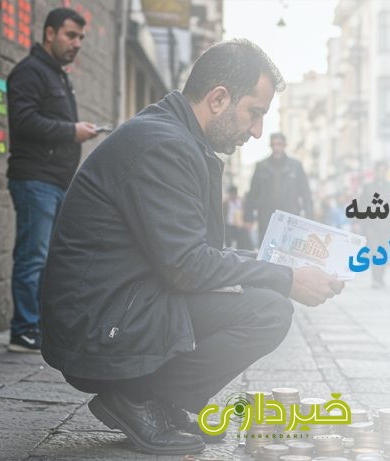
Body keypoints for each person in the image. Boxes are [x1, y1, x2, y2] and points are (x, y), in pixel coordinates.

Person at [40, 39, 344, 455]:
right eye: (254, 113)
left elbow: (193, 256)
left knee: (264, 298)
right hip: (97, 329)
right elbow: (188, 267)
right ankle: (135, 398)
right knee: (269, 310)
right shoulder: (163, 144)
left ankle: (161, 400)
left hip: (122, 306)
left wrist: (283, 267)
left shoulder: (175, 136)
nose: (257, 131)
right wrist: (286, 278)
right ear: (219, 98)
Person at [5, 8, 100, 353]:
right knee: (33, 256)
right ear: (49, 33)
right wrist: (71, 131)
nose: (76, 43)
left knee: (48, 259)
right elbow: (24, 121)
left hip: (56, 182)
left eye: (80, 38)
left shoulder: (57, 76)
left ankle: (39, 327)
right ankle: (23, 329)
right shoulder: (29, 73)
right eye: (70, 35)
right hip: (35, 180)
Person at [244, 133, 313, 245]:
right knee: (266, 252)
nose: (276, 148)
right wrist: (248, 217)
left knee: (288, 250)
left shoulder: (296, 166)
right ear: (270, 146)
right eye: (274, 144)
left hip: (290, 217)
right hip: (267, 217)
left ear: (284, 145)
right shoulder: (261, 166)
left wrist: (310, 218)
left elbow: (306, 194)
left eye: (279, 144)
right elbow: (252, 193)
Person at [360, 160, 390, 288]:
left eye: (384, 170)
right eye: (379, 169)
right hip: (372, 225)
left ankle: (381, 276)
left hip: (387, 225)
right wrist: (359, 222)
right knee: (375, 251)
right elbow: (362, 205)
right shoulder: (368, 187)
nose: (382, 172)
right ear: (375, 171)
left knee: (384, 252)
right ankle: (375, 278)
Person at [223, 185, 253, 250]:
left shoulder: (241, 202)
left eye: (234, 193)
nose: (233, 195)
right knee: (228, 244)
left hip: (239, 226)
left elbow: (247, 212)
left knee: (242, 243)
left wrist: (247, 222)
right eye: (231, 194)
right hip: (229, 226)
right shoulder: (225, 203)